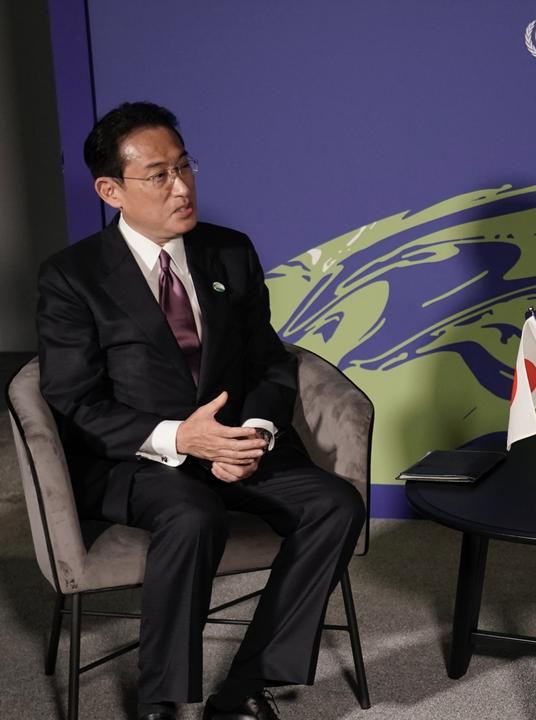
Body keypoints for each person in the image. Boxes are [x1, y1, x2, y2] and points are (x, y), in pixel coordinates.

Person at [36, 102, 365, 720]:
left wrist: (256, 433)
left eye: (185, 166)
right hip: (137, 459)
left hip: (238, 442)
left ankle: (245, 688)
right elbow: (72, 399)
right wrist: (181, 438)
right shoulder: (71, 277)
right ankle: (164, 701)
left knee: (334, 503)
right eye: (158, 175)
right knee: (191, 516)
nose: (182, 187)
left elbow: (270, 361)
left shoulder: (229, 252)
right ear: (111, 190)